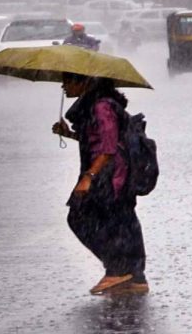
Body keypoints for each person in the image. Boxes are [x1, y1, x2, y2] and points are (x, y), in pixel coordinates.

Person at [52, 72, 148, 295]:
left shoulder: (101, 107)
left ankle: (117, 269)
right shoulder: (97, 105)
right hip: (112, 173)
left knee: (80, 216)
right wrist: (69, 134)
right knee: (121, 223)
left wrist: (89, 177)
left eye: (68, 81)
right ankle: (135, 277)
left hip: (111, 175)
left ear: (84, 81)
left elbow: (108, 147)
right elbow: (98, 140)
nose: (64, 87)